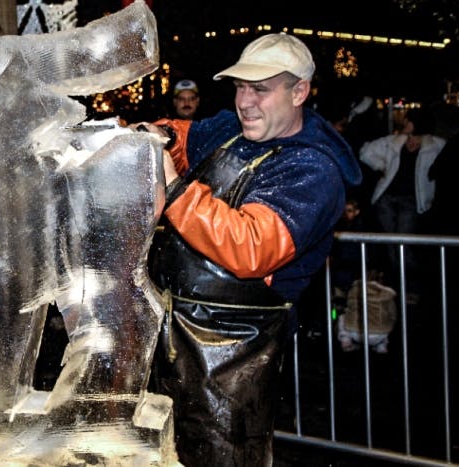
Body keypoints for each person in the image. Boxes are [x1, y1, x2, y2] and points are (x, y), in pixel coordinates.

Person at [133, 32, 361, 465]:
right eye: (240, 87)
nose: (244, 101)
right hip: (172, 339)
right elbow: (184, 136)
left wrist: (177, 191)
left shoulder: (311, 167)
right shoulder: (232, 131)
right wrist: (154, 137)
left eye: (260, 89)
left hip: (233, 358)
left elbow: (251, 247)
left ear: (299, 92)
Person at [359, 107, 445, 301]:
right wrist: (381, 165)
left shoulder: (435, 145)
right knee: (392, 243)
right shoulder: (396, 141)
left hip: (411, 200)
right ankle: (401, 286)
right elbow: (366, 151)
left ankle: (408, 285)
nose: (404, 122)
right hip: (388, 198)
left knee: (402, 243)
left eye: (407, 120)